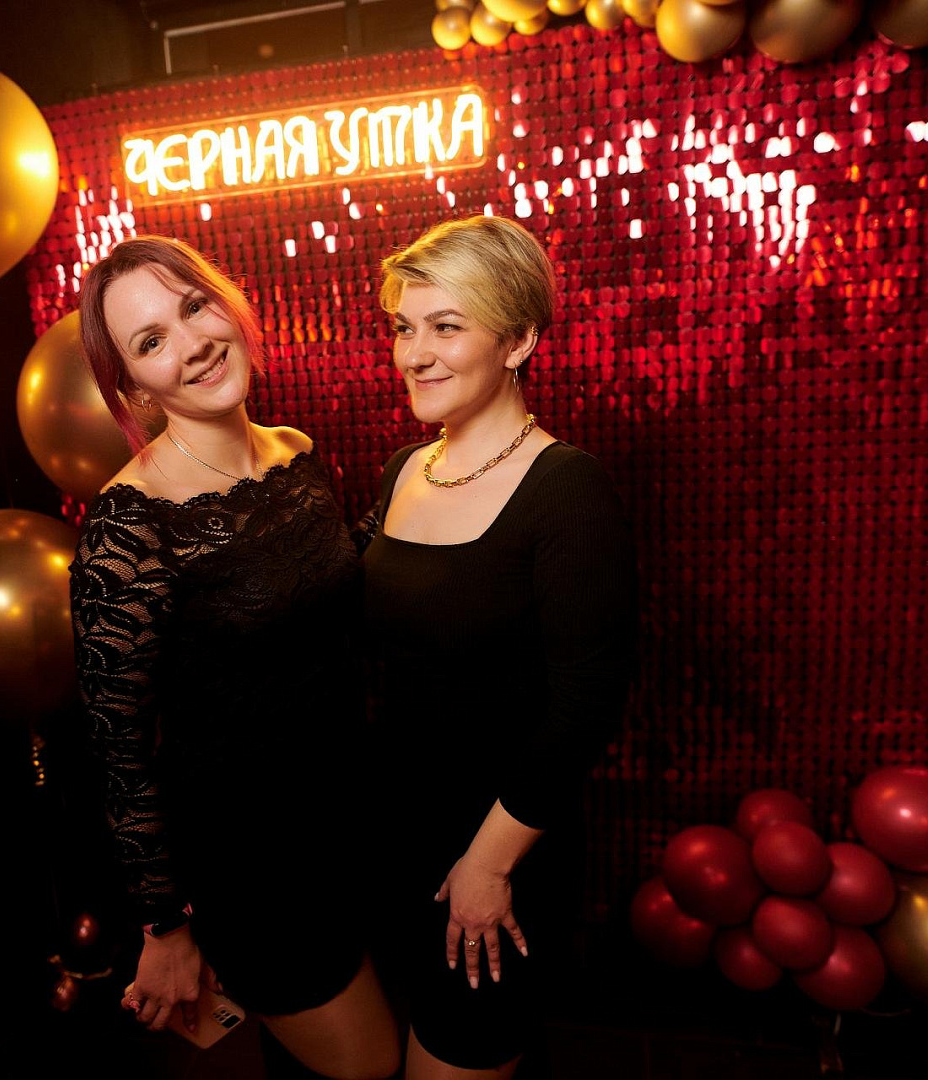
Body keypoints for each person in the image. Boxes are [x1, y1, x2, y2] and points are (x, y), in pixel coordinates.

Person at [71, 235, 398, 1079]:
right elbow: (117, 755)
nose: (192, 344)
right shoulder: (127, 525)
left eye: (194, 307)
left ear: (228, 303)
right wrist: (165, 927)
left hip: (356, 823)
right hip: (256, 869)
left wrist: (426, 481)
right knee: (375, 1068)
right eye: (152, 341)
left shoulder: (293, 452)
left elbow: (326, 602)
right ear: (134, 386)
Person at [360, 215, 637, 1079]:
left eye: (446, 327)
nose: (415, 354)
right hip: (397, 841)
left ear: (518, 341)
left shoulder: (567, 489)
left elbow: (586, 704)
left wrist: (486, 866)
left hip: (495, 854)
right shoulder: (404, 469)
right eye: (405, 327)